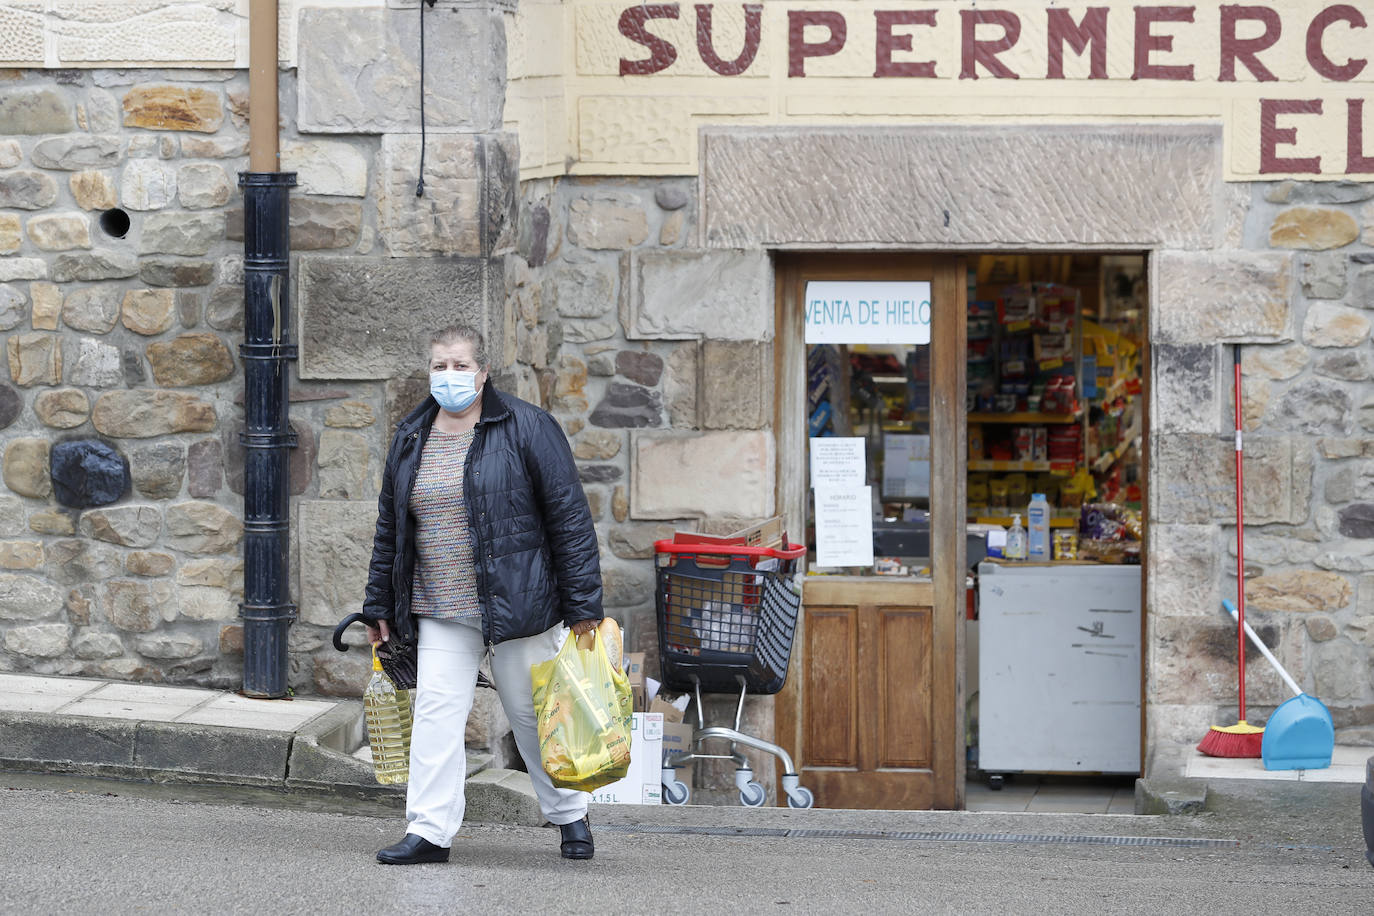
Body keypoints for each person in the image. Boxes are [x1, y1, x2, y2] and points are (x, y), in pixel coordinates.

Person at [362, 324, 604, 866]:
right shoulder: (411, 436)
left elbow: (569, 518)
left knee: (533, 716)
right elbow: (390, 529)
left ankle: (569, 814)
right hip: (441, 606)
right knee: (436, 715)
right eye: (439, 366)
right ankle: (429, 831)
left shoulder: (526, 426)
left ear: (483, 371)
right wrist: (379, 603)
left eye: (459, 365)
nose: (449, 376)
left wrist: (584, 605)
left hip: (519, 603)